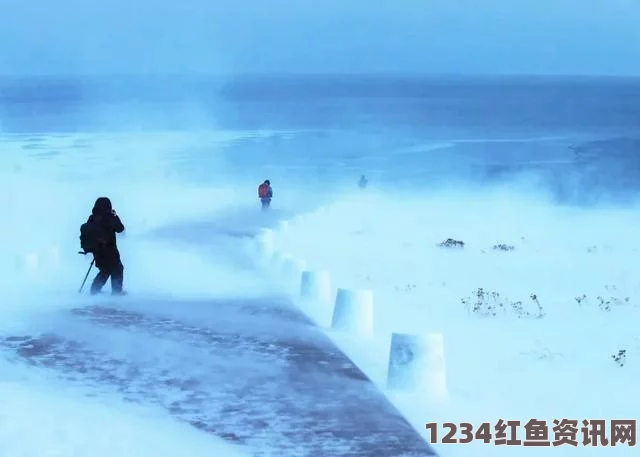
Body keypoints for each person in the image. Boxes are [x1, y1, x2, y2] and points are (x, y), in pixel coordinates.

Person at [84, 197, 126, 295]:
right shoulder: (109, 217)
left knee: (106, 269)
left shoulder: (92, 217)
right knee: (117, 268)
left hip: (97, 251)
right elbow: (120, 228)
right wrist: (115, 216)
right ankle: (116, 292)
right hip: (109, 250)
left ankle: (94, 289)